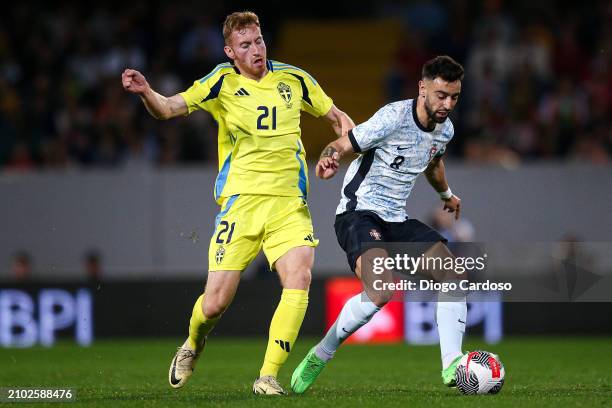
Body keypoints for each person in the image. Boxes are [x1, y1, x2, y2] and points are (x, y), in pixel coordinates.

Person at [121, 11, 353, 395]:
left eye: (259, 41)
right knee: (214, 305)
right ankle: (193, 343)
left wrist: (337, 151)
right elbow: (167, 108)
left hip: (289, 204)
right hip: (241, 205)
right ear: (230, 51)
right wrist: (147, 91)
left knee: (299, 278)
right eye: (245, 45)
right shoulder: (221, 82)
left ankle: (268, 375)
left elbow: (337, 118)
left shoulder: (295, 79)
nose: (256, 50)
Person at [291, 55, 467, 393]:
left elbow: (433, 163)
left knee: (453, 275)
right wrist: (330, 157)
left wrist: (447, 193)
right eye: (441, 95)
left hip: (396, 219)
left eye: (454, 97)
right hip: (359, 213)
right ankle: (320, 354)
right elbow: (345, 142)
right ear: (422, 88)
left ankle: (452, 365)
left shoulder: (446, 130)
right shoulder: (393, 117)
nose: (447, 104)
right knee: (381, 289)